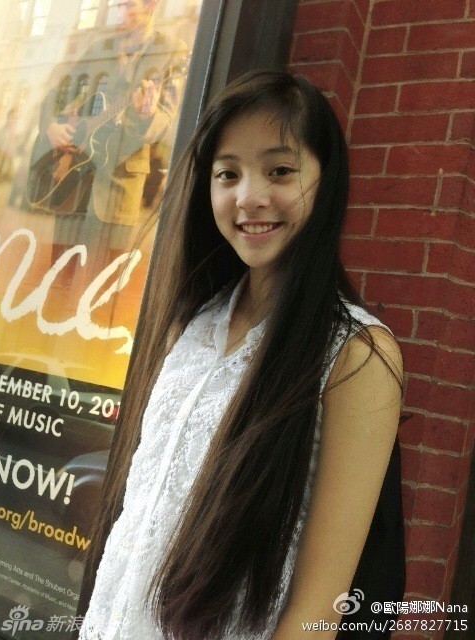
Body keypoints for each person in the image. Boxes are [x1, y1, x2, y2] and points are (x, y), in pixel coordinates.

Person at [77, 70, 406, 640]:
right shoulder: (192, 322)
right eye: (228, 173)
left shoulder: (355, 355)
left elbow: (318, 613)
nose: (249, 197)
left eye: (280, 171)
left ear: (326, 181)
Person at [28, 0, 187, 280]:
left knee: (105, 282)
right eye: (117, 5)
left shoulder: (171, 52)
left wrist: (148, 115)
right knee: (58, 274)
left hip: (120, 182)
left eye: (128, 5)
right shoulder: (99, 49)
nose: (119, 12)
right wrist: (51, 125)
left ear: (150, 6)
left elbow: (166, 121)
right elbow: (59, 92)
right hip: (74, 174)